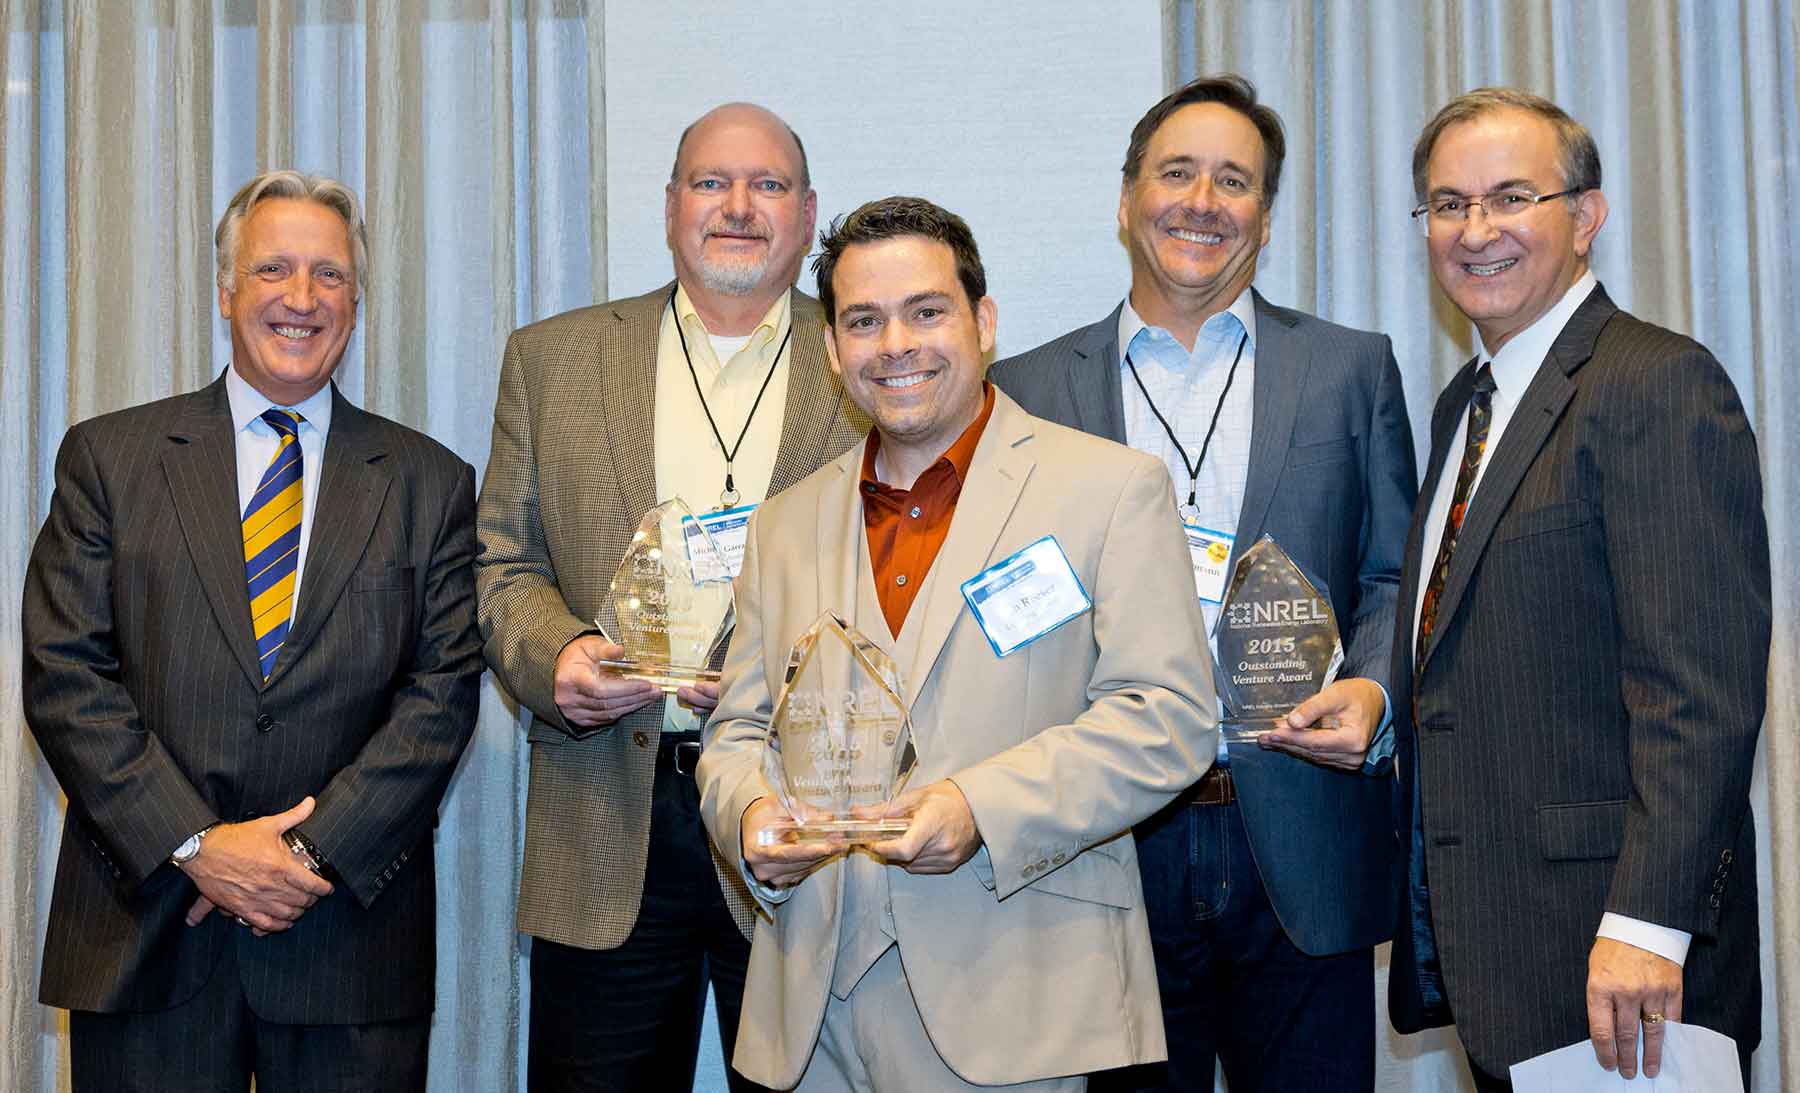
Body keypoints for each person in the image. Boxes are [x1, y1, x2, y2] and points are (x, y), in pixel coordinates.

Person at [696, 195, 1220, 1092]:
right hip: (807, 1018)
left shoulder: (1110, 489)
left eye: (926, 311)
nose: (895, 343)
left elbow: (1168, 718)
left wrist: (981, 806)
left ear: (983, 321)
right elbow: (738, 732)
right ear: (833, 350)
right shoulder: (784, 525)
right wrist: (748, 819)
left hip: (1019, 998)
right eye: (863, 321)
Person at [991, 75, 1416, 1091]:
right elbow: (1010, 607)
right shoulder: (1028, 390)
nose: (1202, 200)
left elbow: (1396, 573)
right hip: (1108, 847)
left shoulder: (1352, 369)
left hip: (1302, 834)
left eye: (1235, 181)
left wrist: (1374, 688)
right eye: (1176, 172)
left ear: (1264, 221)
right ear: (1128, 197)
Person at [21, 169, 483, 1092]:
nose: (302, 299)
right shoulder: (108, 458)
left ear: (357, 298)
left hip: (344, 935)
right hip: (147, 926)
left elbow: (442, 696)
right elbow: (65, 673)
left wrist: (298, 859)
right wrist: (201, 845)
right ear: (227, 289)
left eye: (330, 275)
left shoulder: (431, 480)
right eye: (274, 268)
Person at [475, 102, 868, 1091]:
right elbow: (501, 566)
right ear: (669, 206)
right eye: (710, 182)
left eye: (768, 185)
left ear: (809, 211)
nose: (737, 206)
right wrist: (557, 660)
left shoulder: (870, 362)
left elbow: (922, 567)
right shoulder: (551, 360)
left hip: (807, 824)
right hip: (608, 813)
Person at [1390, 87, 1769, 1089]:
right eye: (1448, 204)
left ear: (1586, 215)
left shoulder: (1656, 383)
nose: (1476, 232)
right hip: (1502, 956)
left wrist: (1650, 926)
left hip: (1623, 966)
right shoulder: (1461, 410)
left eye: (1511, 197)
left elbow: (1700, 694)